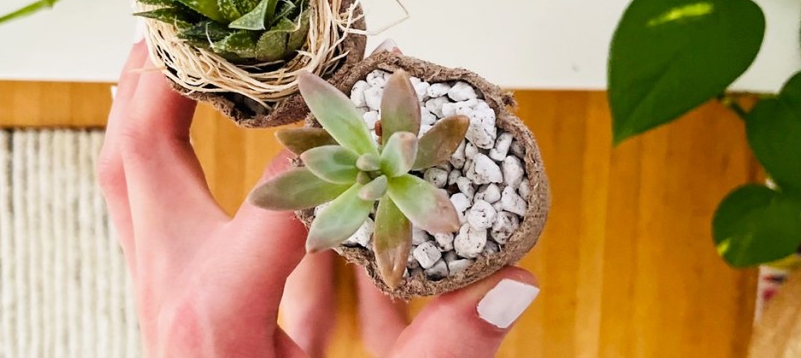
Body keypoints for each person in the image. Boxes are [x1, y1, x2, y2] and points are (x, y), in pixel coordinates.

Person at [98, 37, 539, 357]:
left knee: (303, 323)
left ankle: (315, 327)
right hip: (383, 178)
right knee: (378, 290)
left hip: (387, 174)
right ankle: (378, 294)